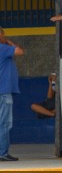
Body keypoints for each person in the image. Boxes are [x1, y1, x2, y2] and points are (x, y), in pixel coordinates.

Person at [0, 26, 25, 161]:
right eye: (3, 35)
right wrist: (8, 42)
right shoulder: (3, 48)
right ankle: (2, 153)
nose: (5, 36)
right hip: (3, 92)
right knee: (4, 123)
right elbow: (20, 51)